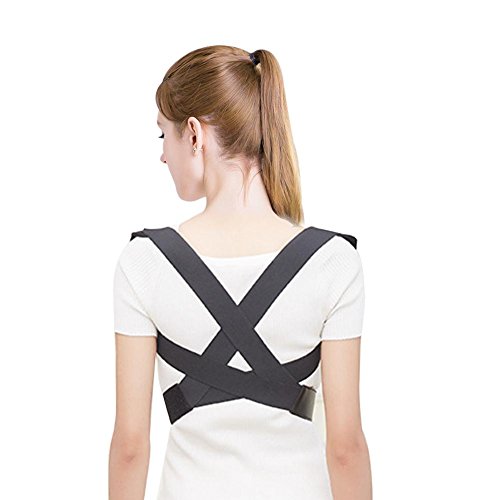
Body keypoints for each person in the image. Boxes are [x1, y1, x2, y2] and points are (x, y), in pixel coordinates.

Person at [108, 45, 372, 500]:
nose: (163, 156)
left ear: (194, 135)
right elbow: (345, 448)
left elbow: (131, 447)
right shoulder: (333, 262)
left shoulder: (145, 263)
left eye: (163, 135)